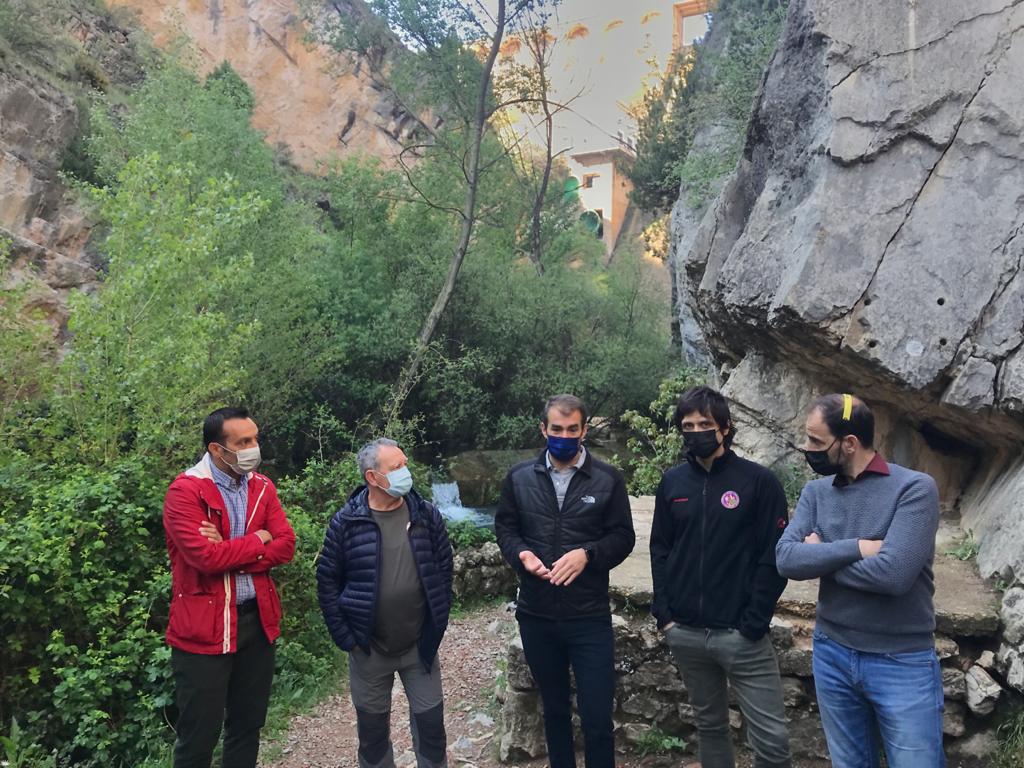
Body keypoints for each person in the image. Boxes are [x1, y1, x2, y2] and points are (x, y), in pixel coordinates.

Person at [776, 393, 944, 768]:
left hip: (901, 661)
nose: (807, 449)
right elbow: (786, 559)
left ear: (849, 444)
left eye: (816, 442)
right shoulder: (815, 493)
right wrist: (859, 547)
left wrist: (821, 555)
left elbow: (894, 575)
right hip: (831, 653)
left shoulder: (915, 489)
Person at [650, 385, 792, 768]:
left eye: (705, 423)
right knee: (710, 727)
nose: (696, 431)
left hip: (740, 635)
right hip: (685, 632)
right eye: (688, 424)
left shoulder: (759, 483)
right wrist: (664, 613)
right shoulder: (673, 483)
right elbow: (660, 548)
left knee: (773, 743)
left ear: (725, 428)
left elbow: (774, 556)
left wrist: (753, 620)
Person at [494, 394, 635, 768]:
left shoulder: (608, 479)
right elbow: (506, 528)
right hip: (537, 615)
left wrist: (588, 554)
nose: (564, 436)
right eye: (556, 429)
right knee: (553, 712)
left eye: (573, 429)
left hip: (588, 616)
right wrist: (520, 555)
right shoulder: (519, 477)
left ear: (584, 430)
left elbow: (623, 537)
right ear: (543, 429)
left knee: (597, 719)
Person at [163, 406, 296, 768]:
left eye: (255, 438)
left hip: (257, 621)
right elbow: (204, 559)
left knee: (247, 725)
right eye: (244, 442)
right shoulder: (186, 492)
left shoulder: (262, 486)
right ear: (216, 450)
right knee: (198, 736)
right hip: (203, 630)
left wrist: (228, 547)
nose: (254, 447)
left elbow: (285, 545)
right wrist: (257, 539)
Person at [317, 438, 453, 768]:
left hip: (419, 647)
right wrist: (347, 639)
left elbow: (444, 567)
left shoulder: (425, 515)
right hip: (369, 650)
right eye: (396, 468)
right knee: (374, 737)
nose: (405, 472)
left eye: (405, 464)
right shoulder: (346, 523)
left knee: (432, 730)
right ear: (373, 477)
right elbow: (327, 583)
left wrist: (437, 621)